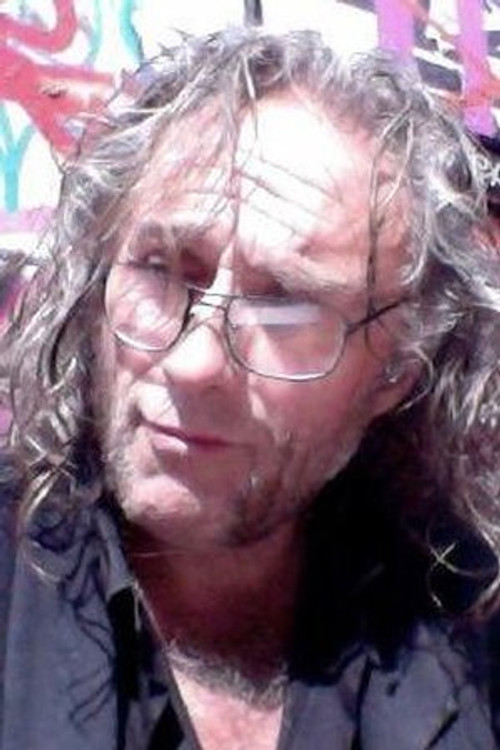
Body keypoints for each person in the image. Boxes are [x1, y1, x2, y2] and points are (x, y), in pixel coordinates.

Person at [0, 27, 499, 750]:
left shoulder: (470, 634)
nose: (194, 362)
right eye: (161, 270)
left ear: (396, 371)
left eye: (285, 305)